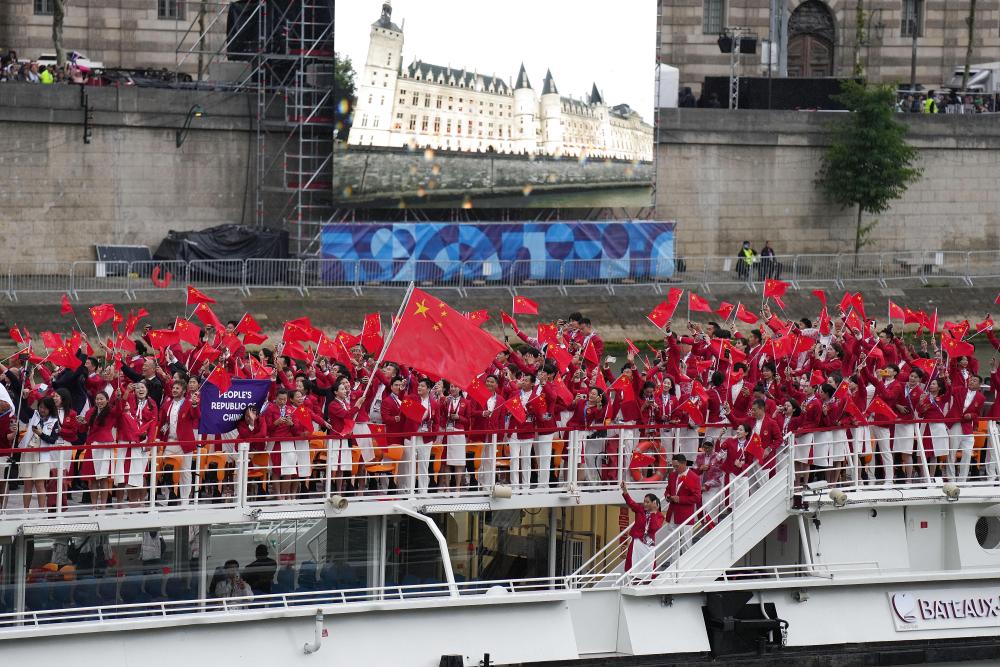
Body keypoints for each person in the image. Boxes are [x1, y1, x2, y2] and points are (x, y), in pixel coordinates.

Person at [661, 454, 701, 562]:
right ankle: (673, 565)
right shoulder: (672, 475)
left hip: (685, 515)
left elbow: (697, 497)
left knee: (686, 544)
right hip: (672, 513)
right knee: (673, 543)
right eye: (673, 466)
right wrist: (667, 496)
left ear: (684, 464)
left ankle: (686, 566)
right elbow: (668, 489)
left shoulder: (694, 477)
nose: (675, 468)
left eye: (676, 466)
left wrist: (680, 499)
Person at [619, 480, 664, 572]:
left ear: (654, 503)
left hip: (648, 544)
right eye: (644, 501)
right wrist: (625, 491)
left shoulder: (659, 516)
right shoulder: (640, 509)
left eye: (647, 502)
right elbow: (631, 503)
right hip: (636, 541)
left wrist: (653, 512)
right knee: (632, 565)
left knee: (648, 566)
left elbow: (654, 528)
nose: (645, 504)